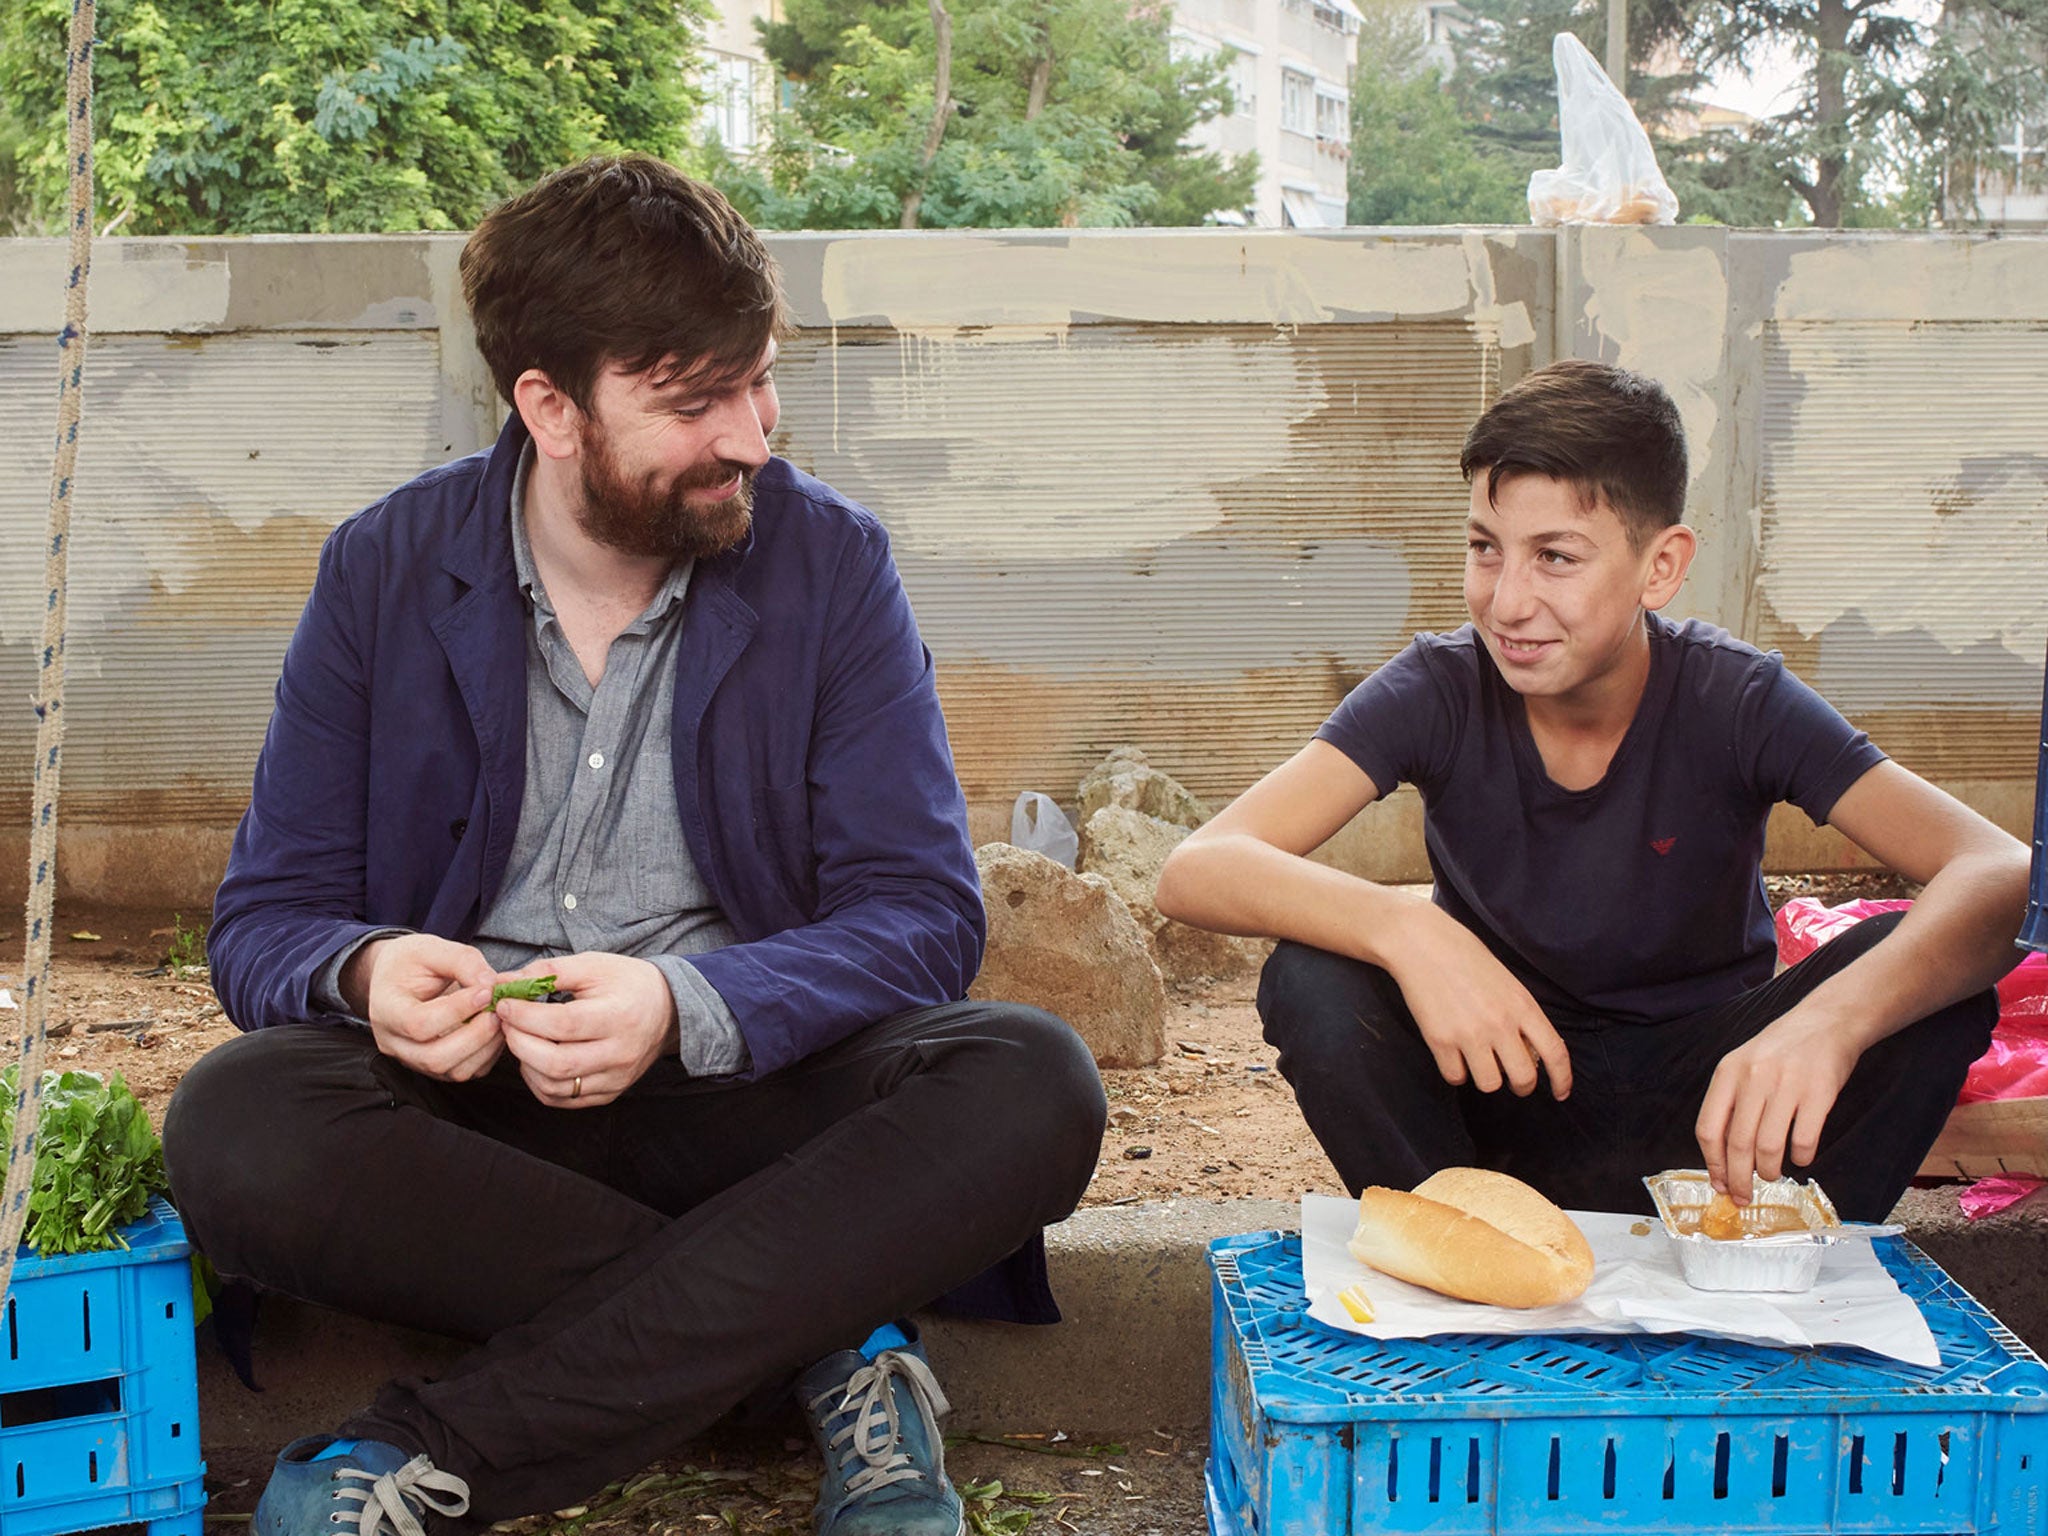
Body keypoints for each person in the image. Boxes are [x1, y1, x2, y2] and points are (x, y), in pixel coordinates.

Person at [163, 155, 1106, 1536]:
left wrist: (684, 1003)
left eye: (759, 379)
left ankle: (433, 1453)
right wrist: (367, 972)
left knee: (1033, 1081)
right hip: (478, 1139)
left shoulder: (831, 564)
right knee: (236, 1121)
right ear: (548, 405)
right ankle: (828, 1337)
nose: (753, 436)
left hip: (760, 1106)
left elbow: (919, 913)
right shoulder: (384, 568)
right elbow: (264, 924)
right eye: (694, 401)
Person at [1155, 359, 2028, 1224]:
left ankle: (1774, 1273)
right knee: (1315, 976)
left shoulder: (1738, 700)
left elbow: (2000, 871)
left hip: (1713, 1129)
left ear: (1661, 567)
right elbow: (1199, 867)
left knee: (1917, 982)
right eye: (1484, 549)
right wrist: (1407, 926)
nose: (1508, 601)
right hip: (1498, 1102)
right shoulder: (1439, 689)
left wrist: (1827, 1025)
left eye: (1556, 558)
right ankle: (1471, 1256)